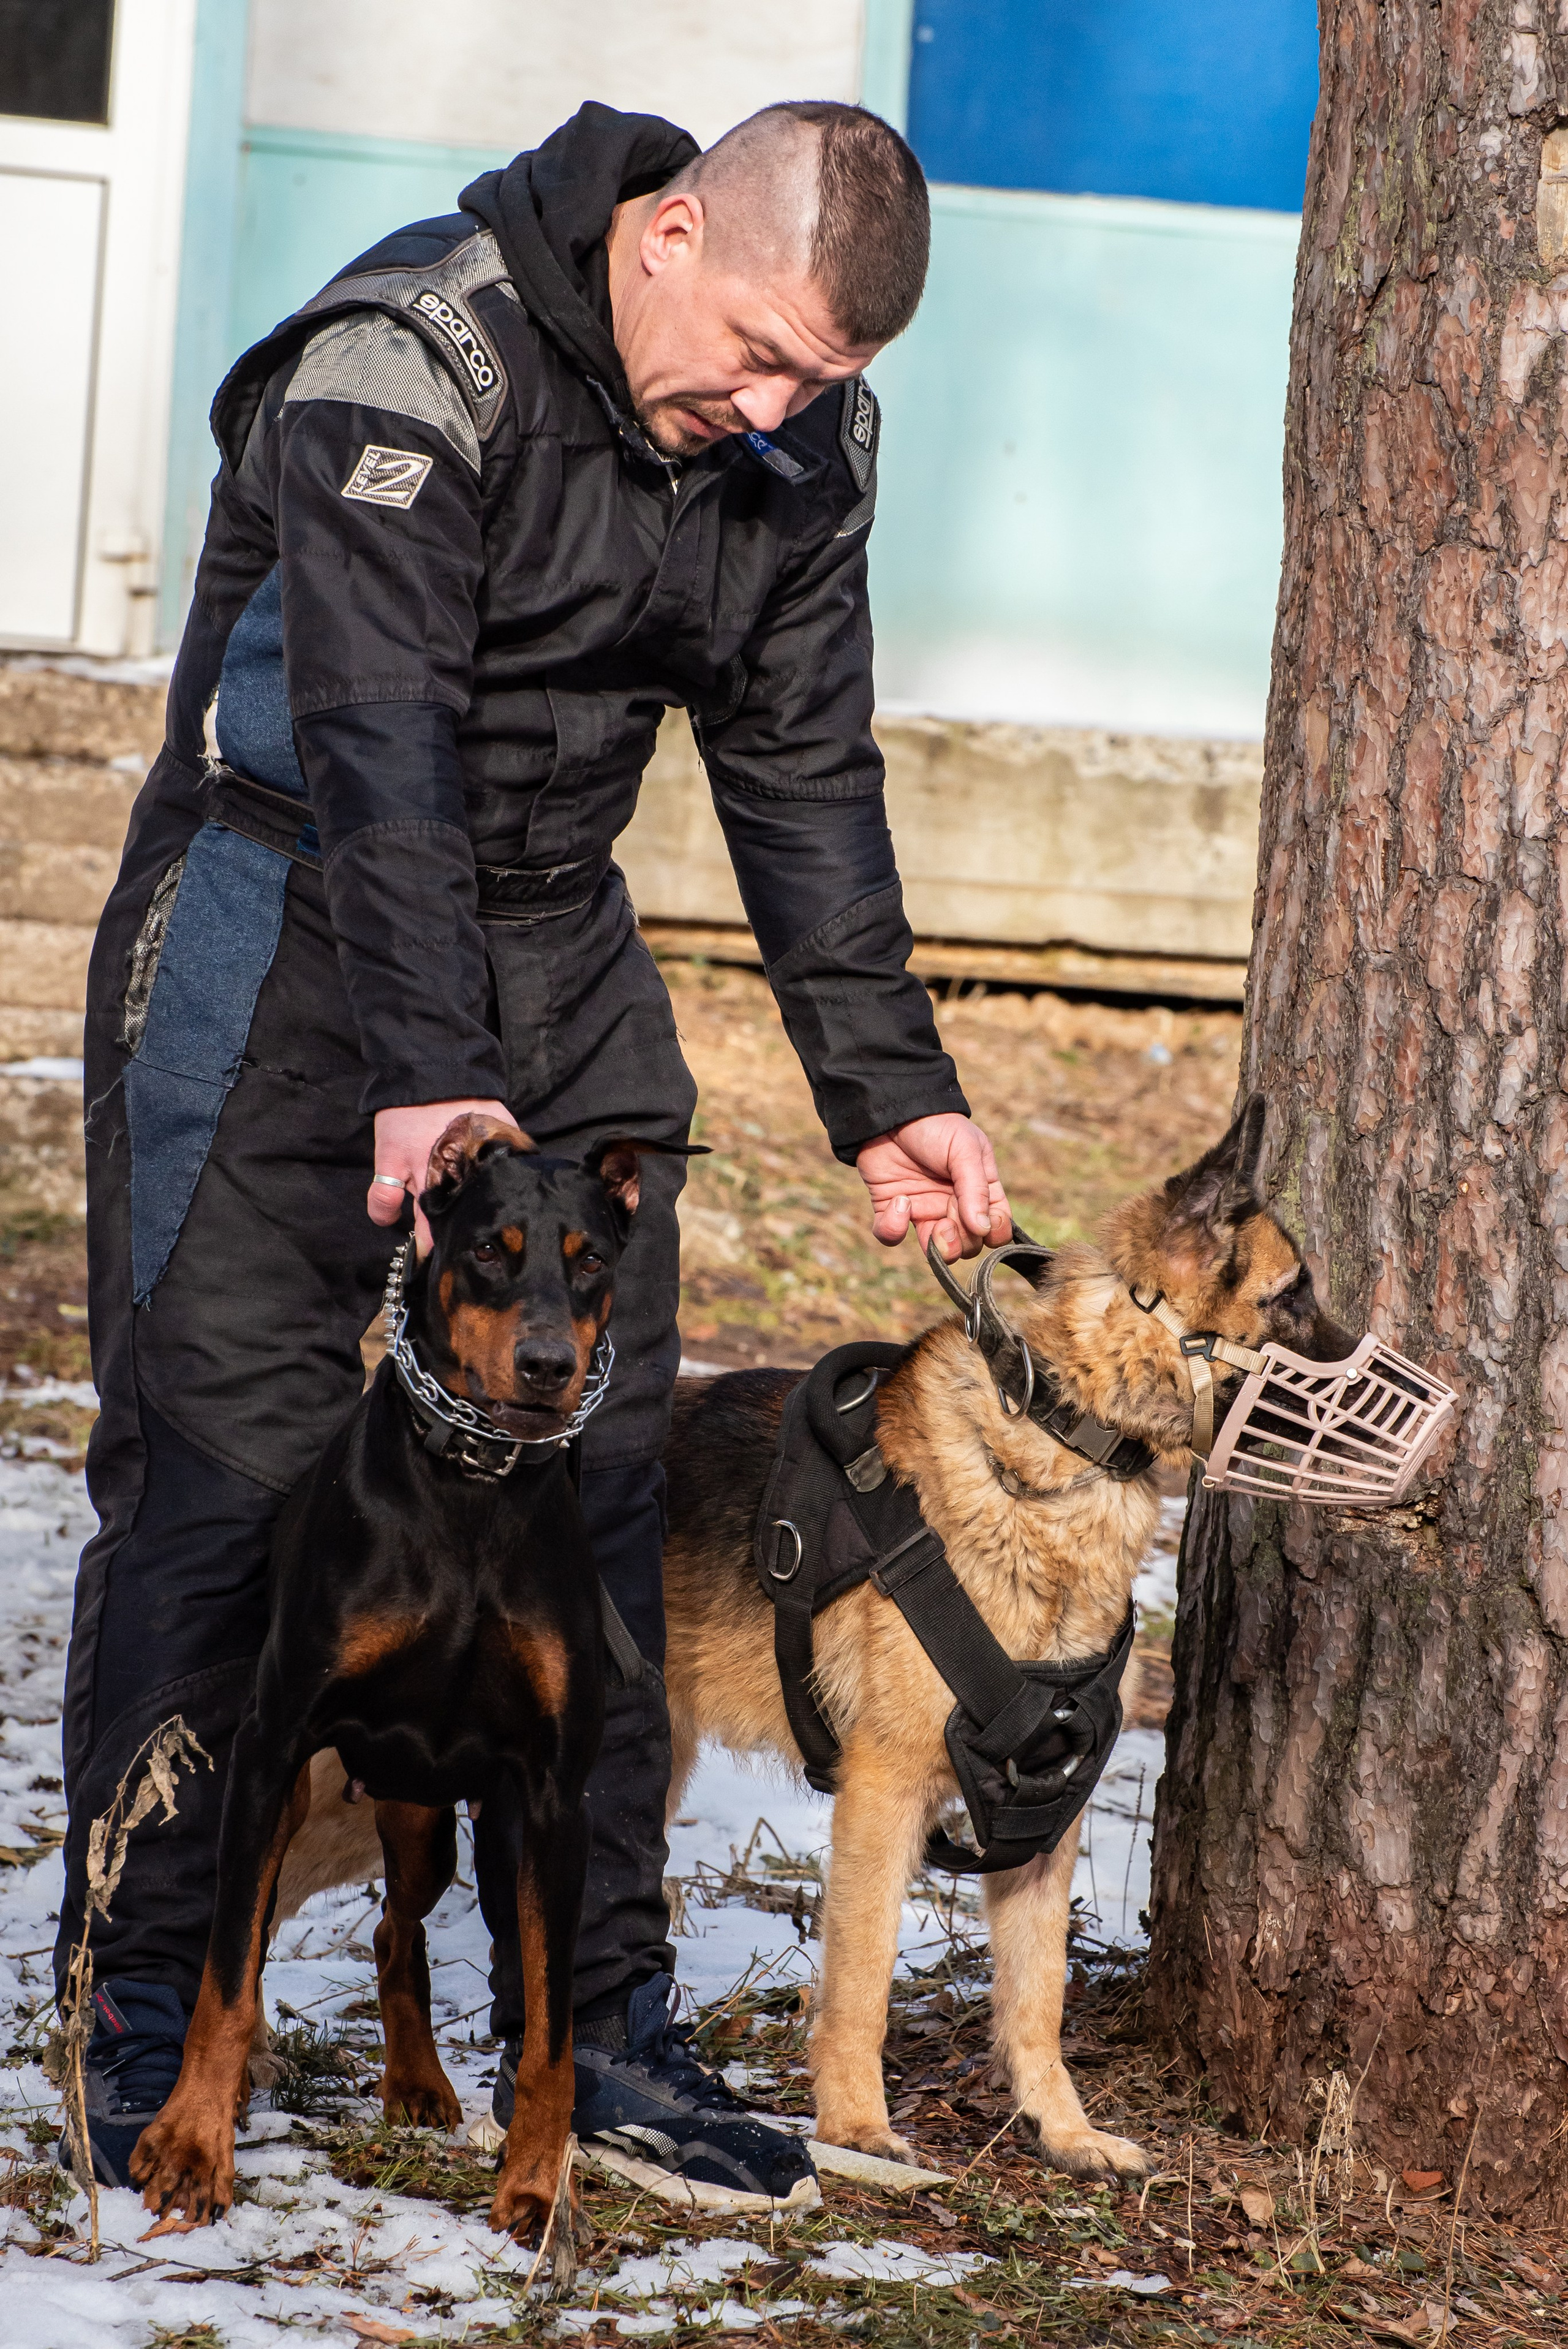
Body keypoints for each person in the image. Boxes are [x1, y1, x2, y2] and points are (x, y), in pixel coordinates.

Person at [59, 97, 1012, 2200]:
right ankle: (141, 2011)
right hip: (287, 918)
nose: (771, 411)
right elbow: (384, 745)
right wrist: (422, 1067)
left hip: (557, 938)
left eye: (819, 388)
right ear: (666, 235)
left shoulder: (793, 445)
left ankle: (600, 2034)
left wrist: (893, 1089)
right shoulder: (414, 354)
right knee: (226, 1480)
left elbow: (806, 774)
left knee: (596, 1498)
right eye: (757, 352)